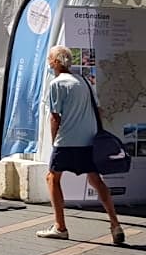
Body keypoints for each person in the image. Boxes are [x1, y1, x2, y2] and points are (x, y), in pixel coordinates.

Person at [37, 45, 125, 244]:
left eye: (51, 59)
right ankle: (115, 223)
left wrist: (54, 141)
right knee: (96, 179)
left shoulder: (57, 84)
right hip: (88, 140)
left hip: (67, 140)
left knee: (52, 178)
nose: (49, 63)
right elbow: (99, 110)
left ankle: (60, 226)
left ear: (57, 62)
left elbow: (55, 116)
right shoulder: (84, 81)